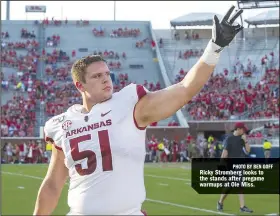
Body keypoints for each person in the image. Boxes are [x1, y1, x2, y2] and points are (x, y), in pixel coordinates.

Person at [33, 6, 244, 215]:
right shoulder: (61, 124)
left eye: (107, 73)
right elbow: (53, 183)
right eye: (97, 76)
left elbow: (183, 90)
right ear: (80, 85)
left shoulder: (129, 104)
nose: (106, 78)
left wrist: (215, 47)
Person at [217, 122, 253, 213]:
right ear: (238, 129)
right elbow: (224, 153)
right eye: (243, 129)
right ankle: (223, 202)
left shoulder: (242, 139)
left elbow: (248, 151)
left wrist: (246, 141)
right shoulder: (229, 139)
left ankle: (239, 206)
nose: (244, 131)